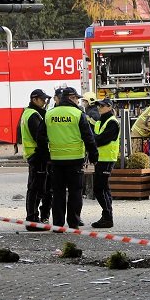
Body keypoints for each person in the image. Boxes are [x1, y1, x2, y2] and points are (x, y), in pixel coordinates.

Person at [35, 87, 98, 231]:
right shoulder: (77, 114)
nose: (78, 100)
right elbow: (88, 137)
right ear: (71, 98)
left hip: (56, 160)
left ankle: (58, 224)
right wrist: (94, 155)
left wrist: (46, 157)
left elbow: (41, 138)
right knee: (75, 192)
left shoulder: (50, 114)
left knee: (58, 193)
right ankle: (74, 223)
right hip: (75, 160)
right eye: (76, 98)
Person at [22, 89, 52, 231]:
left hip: (32, 154)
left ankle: (32, 217)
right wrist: (46, 155)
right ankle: (32, 219)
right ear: (35, 99)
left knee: (34, 187)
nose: (45, 102)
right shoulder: (33, 115)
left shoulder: (27, 113)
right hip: (37, 155)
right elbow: (39, 137)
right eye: (42, 99)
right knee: (36, 189)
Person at [91, 98, 119, 228]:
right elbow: (96, 137)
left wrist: (92, 141)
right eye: (98, 106)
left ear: (109, 107)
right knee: (104, 189)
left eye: (102, 106)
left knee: (99, 188)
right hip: (101, 159)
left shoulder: (112, 122)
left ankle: (107, 217)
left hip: (107, 159)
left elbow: (101, 139)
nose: (99, 108)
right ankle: (107, 216)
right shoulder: (101, 121)